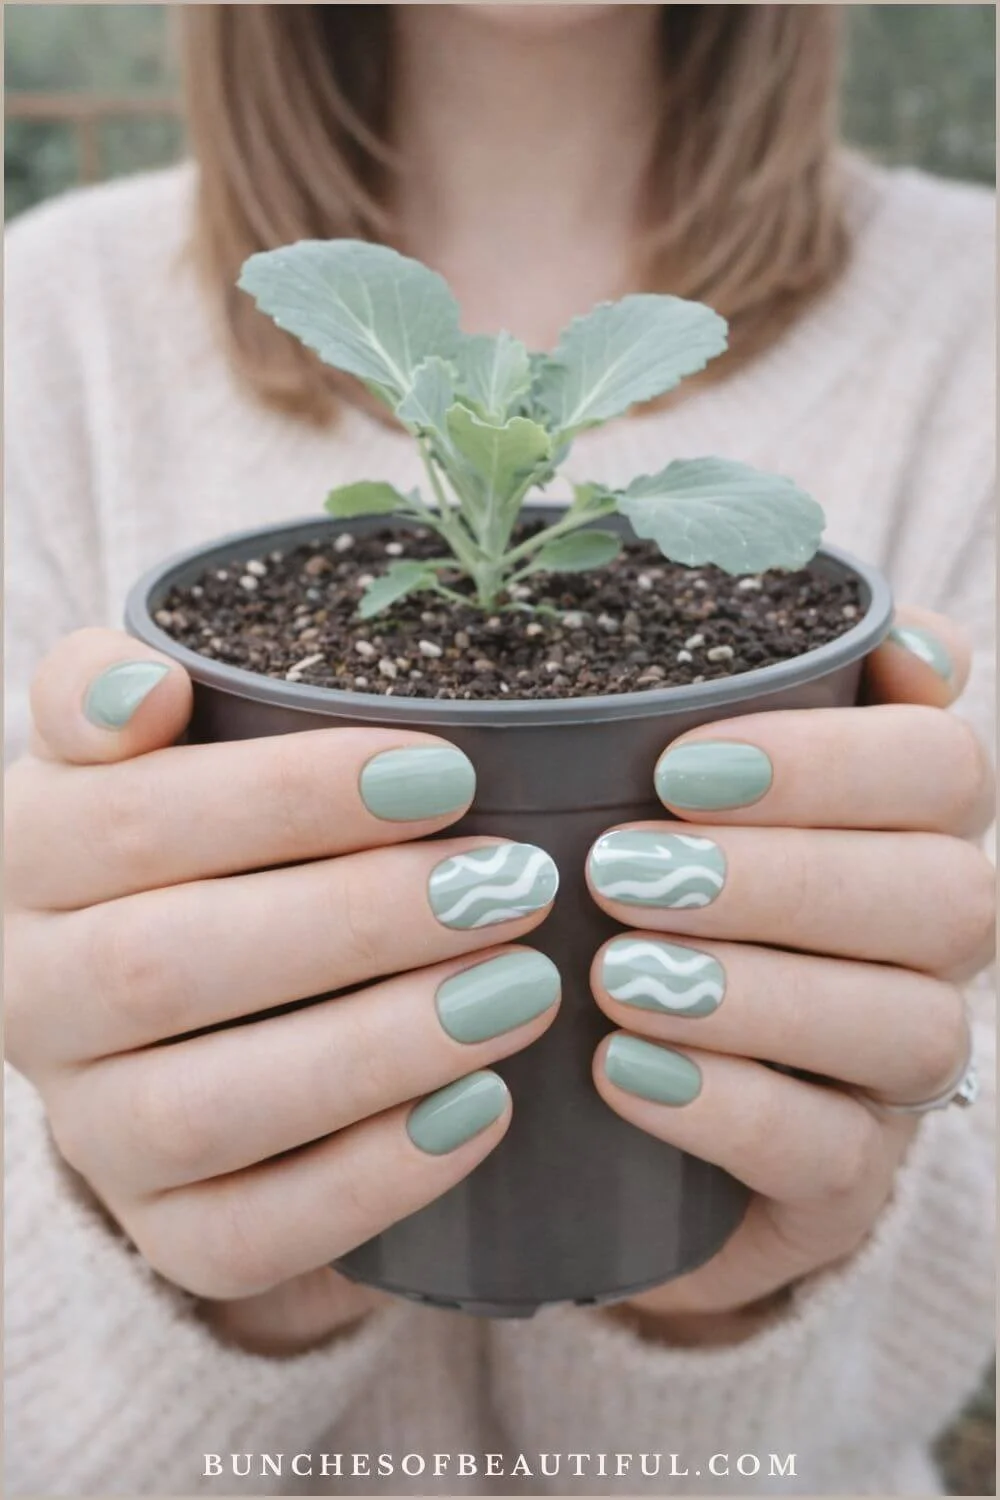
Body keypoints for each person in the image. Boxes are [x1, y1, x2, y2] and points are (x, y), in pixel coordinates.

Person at [4, 5, 995, 1495]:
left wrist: (761, 1263)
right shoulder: (43, 330)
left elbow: (961, 1195)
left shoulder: (975, 324)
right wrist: (189, 1258)